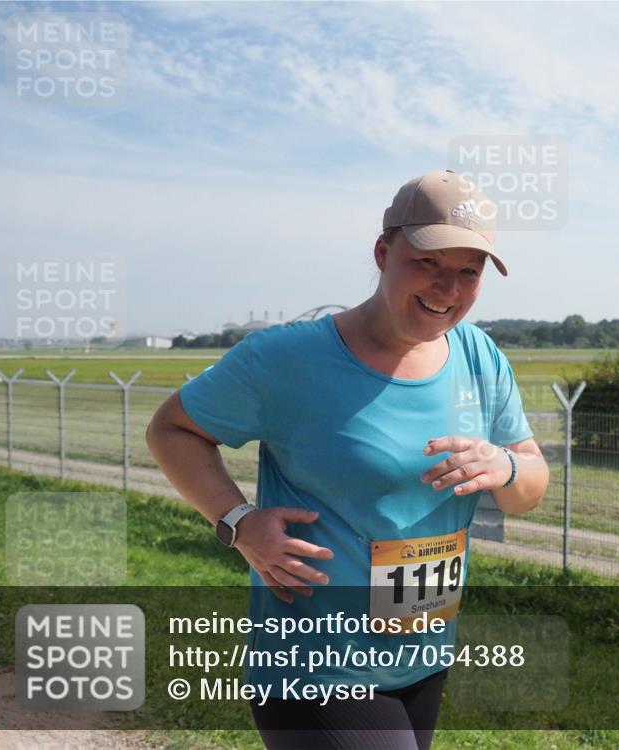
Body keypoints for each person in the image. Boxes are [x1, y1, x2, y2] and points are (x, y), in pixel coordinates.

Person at [146, 169, 550, 750]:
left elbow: (531, 484)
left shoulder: (480, 356)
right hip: (317, 664)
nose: (447, 287)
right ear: (383, 251)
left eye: (469, 271)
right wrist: (237, 521)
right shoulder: (288, 358)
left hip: (423, 653)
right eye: (428, 262)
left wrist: (505, 468)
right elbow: (172, 429)